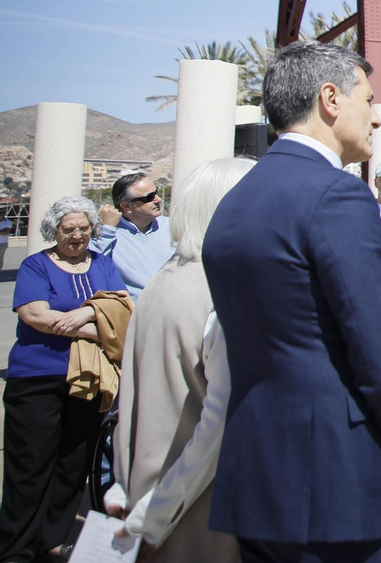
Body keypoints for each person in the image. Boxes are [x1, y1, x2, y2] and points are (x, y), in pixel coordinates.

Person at [204, 41, 381, 563]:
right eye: (368, 100)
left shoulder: (236, 199)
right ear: (330, 99)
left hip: (257, 474)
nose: (375, 118)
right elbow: (380, 353)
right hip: (332, 481)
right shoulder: (337, 195)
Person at [104, 157, 254, 562]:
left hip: (146, 499)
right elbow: (218, 426)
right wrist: (153, 516)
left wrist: (124, 488)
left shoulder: (163, 280)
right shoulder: (222, 294)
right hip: (191, 515)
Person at [1, 196, 128, 561]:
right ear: (53, 231)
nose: (77, 235)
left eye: (84, 228)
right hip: (38, 377)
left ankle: (53, 538)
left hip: (90, 378)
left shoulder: (102, 263)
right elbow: (35, 315)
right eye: (68, 229)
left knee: (74, 463)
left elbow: (120, 306)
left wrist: (86, 315)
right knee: (30, 466)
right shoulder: (36, 265)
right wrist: (93, 326)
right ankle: (16, 548)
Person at [92, 170, 176, 301]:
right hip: (133, 310)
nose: (158, 199)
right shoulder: (109, 233)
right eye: (149, 197)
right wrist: (106, 229)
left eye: (156, 192)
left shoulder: (173, 226)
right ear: (126, 206)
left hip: (174, 306)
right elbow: (92, 266)